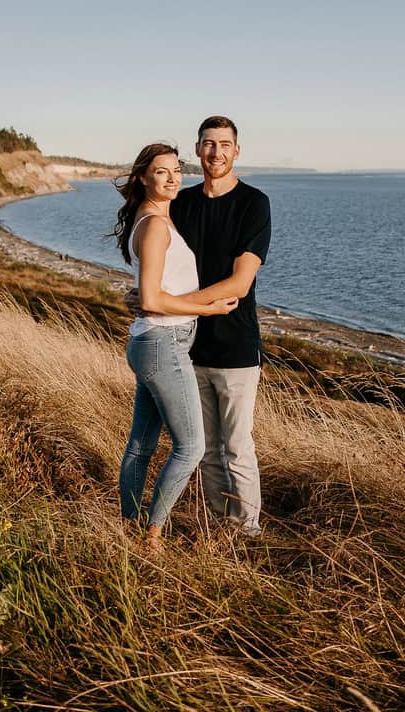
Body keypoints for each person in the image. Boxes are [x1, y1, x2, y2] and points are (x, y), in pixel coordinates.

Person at [127, 116, 272, 537]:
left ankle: (247, 532)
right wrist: (145, 296)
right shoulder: (182, 203)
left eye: (225, 145)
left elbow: (239, 284)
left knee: (237, 447)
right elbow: (156, 259)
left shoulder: (254, 203)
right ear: (198, 149)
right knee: (204, 451)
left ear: (236, 151)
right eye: (209, 144)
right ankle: (219, 527)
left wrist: (158, 304)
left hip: (236, 347)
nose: (216, 153)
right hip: (185, 348)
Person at [113, 142, 238, 551]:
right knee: (192, 446)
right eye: (161, 171)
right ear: (143, 178)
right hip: (162, 342)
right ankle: (152, 534)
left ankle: (131, 525)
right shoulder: (153, 225)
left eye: (176, 170)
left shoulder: (157, 220)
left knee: (142, 444)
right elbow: (151, 299)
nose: (172, 177)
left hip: (155, 341)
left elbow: (150, 294)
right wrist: (211, 309)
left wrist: (193, 306)